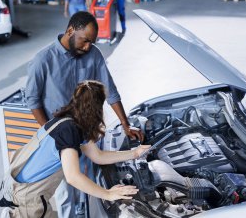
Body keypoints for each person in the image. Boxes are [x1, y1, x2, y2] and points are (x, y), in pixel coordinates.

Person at [25, 11, 143, 217]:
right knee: (67, 192)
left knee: (90, 183)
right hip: (61, 139)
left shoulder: (93, 54)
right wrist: (50, 135)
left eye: (92, 42)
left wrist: (126, 125)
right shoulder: (42, 61)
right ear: (70, 31)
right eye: (85, 41)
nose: (88, 47)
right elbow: (33, 101)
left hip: (86, 132)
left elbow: (111, 91)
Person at [10, 80, 150, 218]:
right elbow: (73, 177)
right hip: (28, 198)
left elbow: (98, 156)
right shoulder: (68, 130)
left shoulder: (73, 121)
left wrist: (135, 153)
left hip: (28, 192)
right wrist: (107, 194)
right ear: (97, 108)